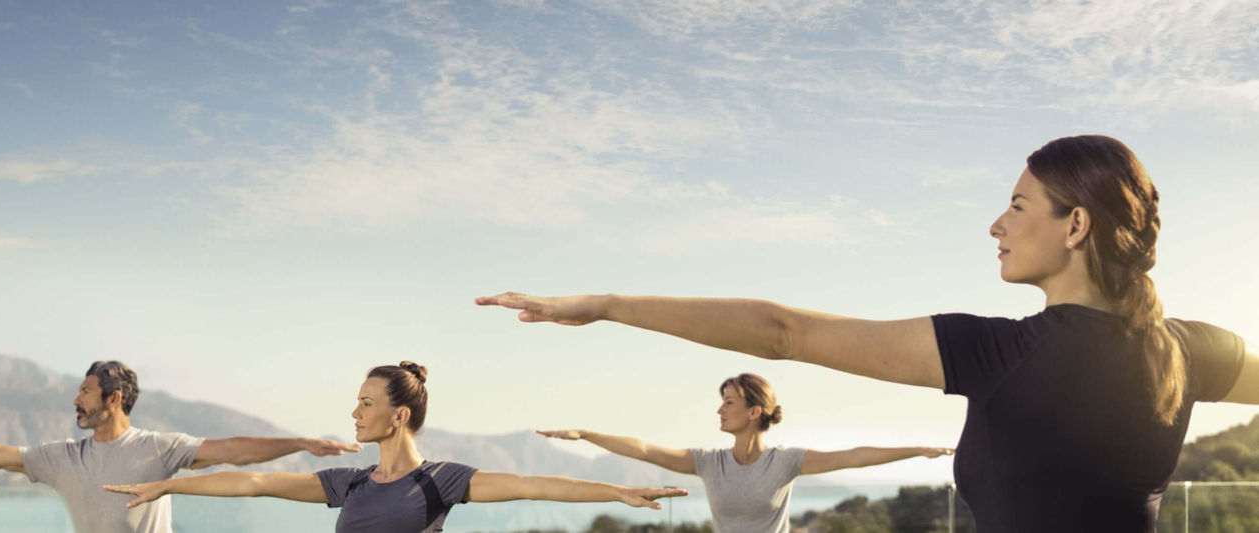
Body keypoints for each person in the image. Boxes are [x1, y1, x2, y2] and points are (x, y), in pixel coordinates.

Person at [476, 135, 1258, 532]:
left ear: (1077, 224)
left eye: (1019, 205)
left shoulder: (1004, 354)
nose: (996, 223)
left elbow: (781, 332)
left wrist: (609, 302)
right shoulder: (1190, 350)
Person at [104, 361, 687, 533]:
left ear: (398, 415)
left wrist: (618, 491)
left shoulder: (441, 482)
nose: (354, 414)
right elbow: (252, 482)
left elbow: (536, 485)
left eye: (365, 404)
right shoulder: (349, 483)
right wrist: (169, 484)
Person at [0, 360, 360, 533]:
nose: (74, 400)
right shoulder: (61, 456)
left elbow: (234, 450)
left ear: (113, 399)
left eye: (84, 392)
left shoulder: (161, 448)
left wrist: (299, 442)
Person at [539, 373, 952, 533]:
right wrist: (587, 434)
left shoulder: (786, 461)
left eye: (729, 402)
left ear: (754, 412)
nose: (720, 409)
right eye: (721, 401)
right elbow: (646, 450)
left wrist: (915, 449)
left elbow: (854, 456)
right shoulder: (707, 462)